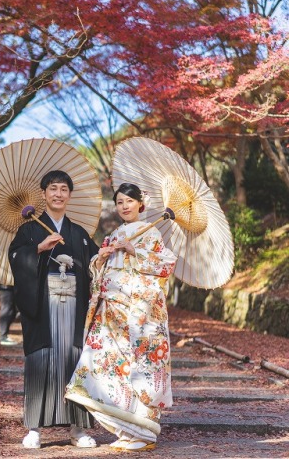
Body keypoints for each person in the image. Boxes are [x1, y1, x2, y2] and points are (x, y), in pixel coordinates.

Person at [64, 183, 177, 452]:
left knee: (142, 365)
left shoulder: (151, 234)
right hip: (111, 311)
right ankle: (126, 429)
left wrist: (135, 251)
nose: (124, 206)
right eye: (119, 202)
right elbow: (100, 275)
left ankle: (144, 432)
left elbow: (166, 265)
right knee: (111, 364)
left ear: (141, 204)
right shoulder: (112, 235)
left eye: (129, 201)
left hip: (140, 315)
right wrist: (99, 260)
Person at [8, 170, 99, 449]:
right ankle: (34, 429)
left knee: (75, 362)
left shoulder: (80, 233)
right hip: (42, 306)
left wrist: (102, 257)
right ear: (44, 194)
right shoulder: (29, 230)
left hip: (74, 307)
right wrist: (37, 248)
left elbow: (95, 263)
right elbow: (14, 256)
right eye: (53, 188)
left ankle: (78, 430)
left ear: (69, 195)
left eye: (63, 189)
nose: (58, 194)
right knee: (41, 362)